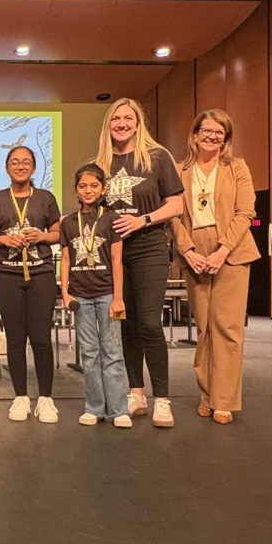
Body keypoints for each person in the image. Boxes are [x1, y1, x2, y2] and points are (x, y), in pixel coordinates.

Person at [94, 98, 184, 428]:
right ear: (109, 124)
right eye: (115, 118)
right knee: (125, 324)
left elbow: (175, 205)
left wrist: (142, 220)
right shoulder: (100, 164)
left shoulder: (158, 157)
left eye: (127, 118)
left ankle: (163, 398)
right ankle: (136, 392)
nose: (121, 123)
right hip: (114, 254)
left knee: (148, 323)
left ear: (137, 122)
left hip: (149, 248)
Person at [170, 109, 259, 425]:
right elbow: (173, 216)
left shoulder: (237, 168)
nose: (211, 136)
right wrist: (188, 250)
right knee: (205, 327)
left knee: (228, 329)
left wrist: (222, 250)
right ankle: (207, 394)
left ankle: (224, 400)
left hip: (232, 252)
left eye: (219, 132)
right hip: (195, 253)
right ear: (194, 135)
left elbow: (246, 212)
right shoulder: (179, 169)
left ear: (226, 138)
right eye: (206, 130)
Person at [0, 145, 62, 423]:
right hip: (6, 275)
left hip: (41, 274)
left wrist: (40, 236)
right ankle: (20, 397)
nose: (20, 166)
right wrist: (4, 240)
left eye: (26, 162)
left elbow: (58, 233)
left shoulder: (45, 198)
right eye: (14, 162)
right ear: (6, 168)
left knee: (41, 337)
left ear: (34, 168)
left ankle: (46, 399)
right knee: (15, 338)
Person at [59, 164, 132, 428]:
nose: (88, 190)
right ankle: (94, 407)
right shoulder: (67, 222)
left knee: (112, 351)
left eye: (93, 185)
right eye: (82, 186)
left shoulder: (111, 219)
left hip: (107, 294)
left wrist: (118, 297)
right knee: (89, 353)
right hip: (81, 296)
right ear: (76, 190)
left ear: (103, 189)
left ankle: (118, 409)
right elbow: (66, 259)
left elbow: (116, 259)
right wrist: (65, 293)